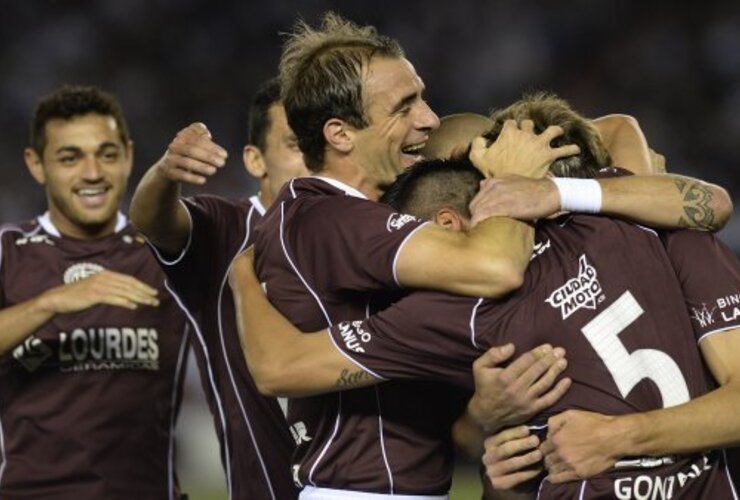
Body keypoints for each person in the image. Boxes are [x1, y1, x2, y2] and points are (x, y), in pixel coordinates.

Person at [242, 13, 733, 497]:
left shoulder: (467, 299)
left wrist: (558, 193)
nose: (428, 119)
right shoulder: (334, 222)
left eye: (423, 97)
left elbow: (616, 131)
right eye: (405, 106)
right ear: (341, 134)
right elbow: (497, 265)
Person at [0, 85, 189, 499]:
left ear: (129, 156)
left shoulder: (168, 252)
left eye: (107, 154)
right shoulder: (7, 252)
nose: (92, 173)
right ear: (36, 165)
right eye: (70, 158)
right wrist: (50, 302)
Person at [130, 78, 308, 499]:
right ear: (255, 159)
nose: (314, 159)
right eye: (297, 144)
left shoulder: (361, 232)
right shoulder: (224, 230)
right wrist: (165, 173)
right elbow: (152, 220)